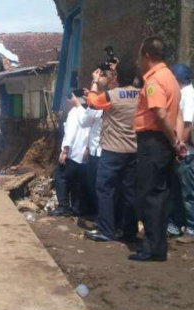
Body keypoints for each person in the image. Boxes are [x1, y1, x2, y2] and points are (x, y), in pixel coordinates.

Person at [129, 37, 185, 262]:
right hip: (165, 142)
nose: (139, 61)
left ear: (147, 56)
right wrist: (177, 140)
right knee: (161, 195)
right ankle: (158, 246)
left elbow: (160, 114)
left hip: (154, 141)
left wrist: (173, 141)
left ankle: (151, 248)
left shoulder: (153, 80)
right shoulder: (171, 78)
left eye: (140, 56)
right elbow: (177, 113)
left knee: (149, 195)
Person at [84, 60, 141, 242]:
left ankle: (107, 230)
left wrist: (94, 82)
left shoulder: (111, 96)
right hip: (133, 150)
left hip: (112, 150)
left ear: (116, 76)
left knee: (105, 189)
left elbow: (92, 102)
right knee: (129, 192)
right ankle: (129, 231)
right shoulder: (141, 95)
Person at [168, 63, 194, 244]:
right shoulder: (185, 94)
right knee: (177, 189)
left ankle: (193, 228)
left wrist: (179, 145)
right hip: (184, 151)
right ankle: (175, 224)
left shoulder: (189, 96)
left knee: (189, 192)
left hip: (189, 152)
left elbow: (188, 124)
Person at [50, 93, 102, 217]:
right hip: (84, 155)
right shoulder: (90, 112)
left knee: (61, 179)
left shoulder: (74, 112)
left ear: (72, 100)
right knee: (77, 183)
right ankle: (77, 208)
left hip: (72, 154)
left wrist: (65, 151)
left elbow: (70, 133)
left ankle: (63, 207)